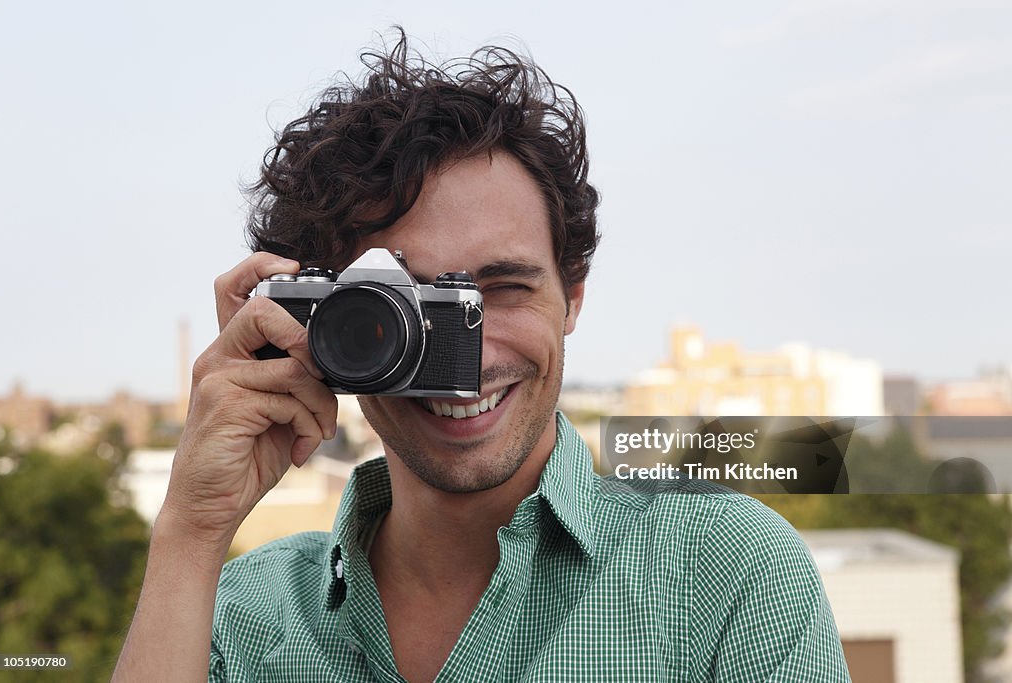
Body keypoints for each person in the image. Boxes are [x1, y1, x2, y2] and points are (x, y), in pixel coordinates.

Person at [114, 33, 851, 682]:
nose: (466, 358)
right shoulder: (237, 617)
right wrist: (191, 530)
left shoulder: (724, 575)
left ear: (573, 298)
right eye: (409, 307)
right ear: (321, 326)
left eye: (500, 289)